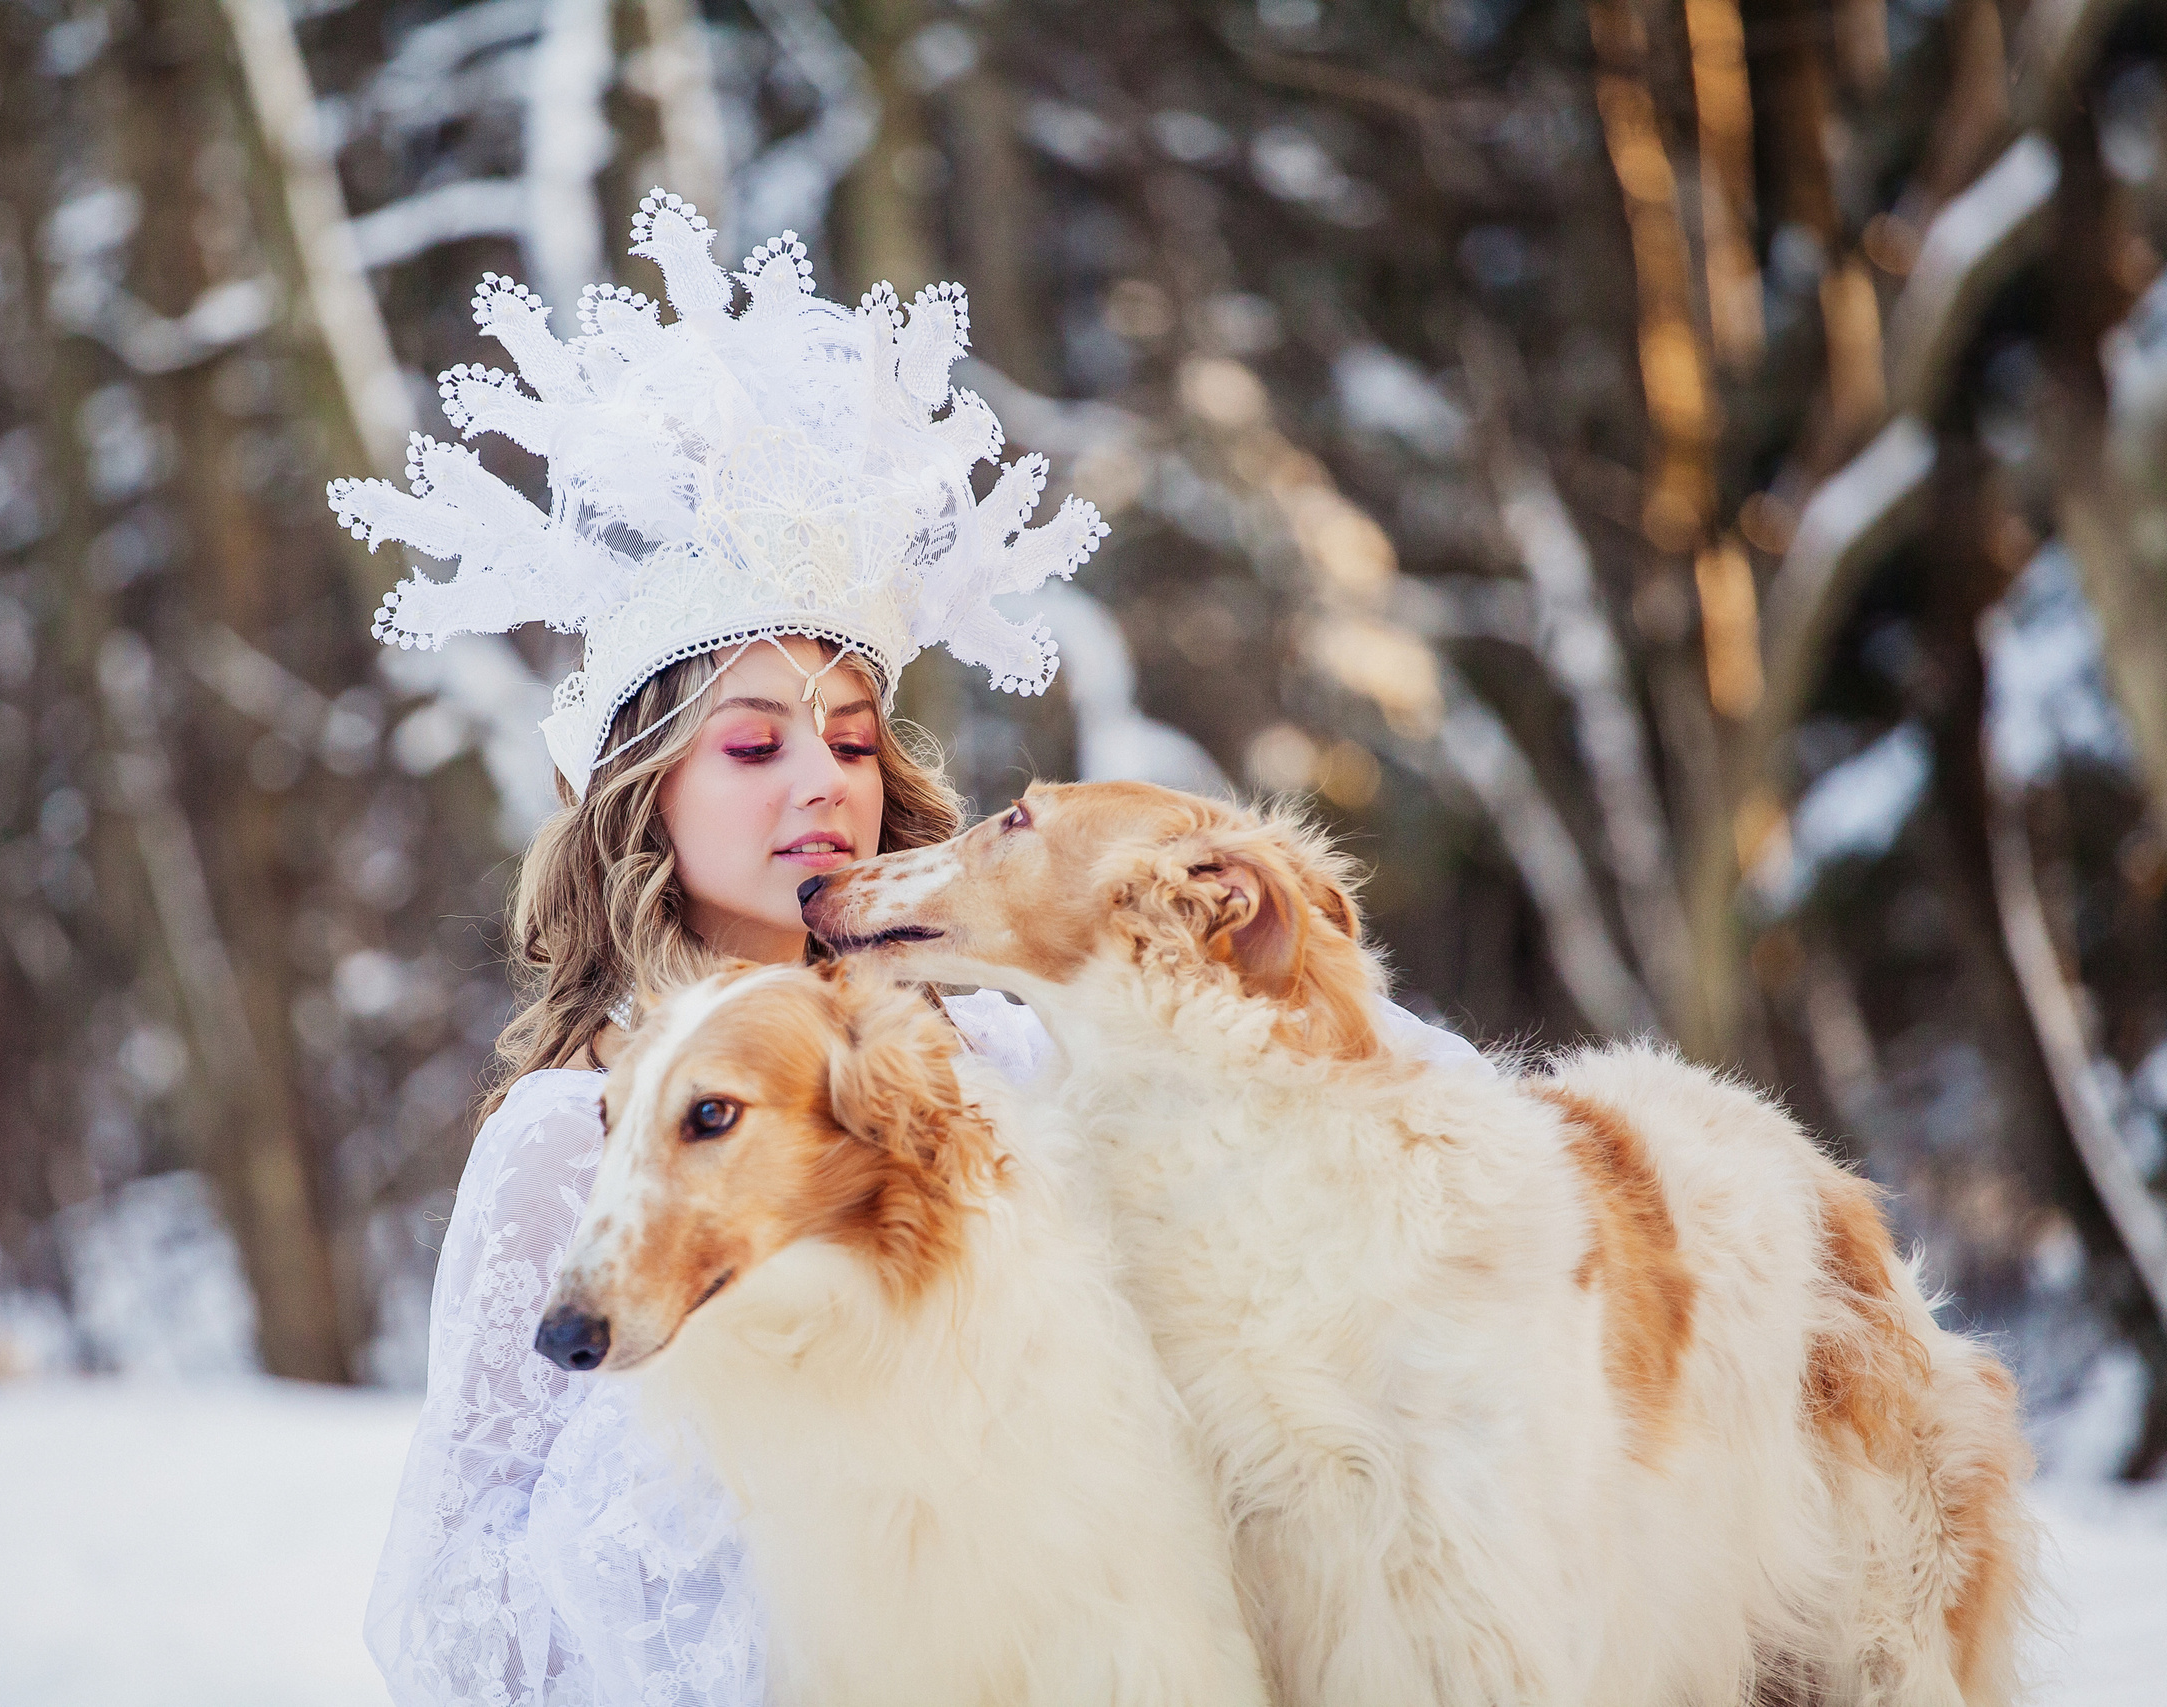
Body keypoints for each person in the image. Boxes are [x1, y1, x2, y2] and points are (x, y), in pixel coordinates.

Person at [336, 191, 1483, 1706]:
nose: (824, 782)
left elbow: (1363, 1114)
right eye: (751, 748)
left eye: (855, 739)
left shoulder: (1015, 1049)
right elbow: (449, 1594)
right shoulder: (569, 1143)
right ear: (644, 798)